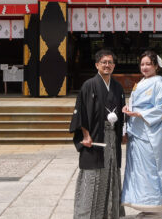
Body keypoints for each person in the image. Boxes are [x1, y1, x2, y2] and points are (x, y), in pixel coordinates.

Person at [69, 48, 126, 219]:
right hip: (94, 136)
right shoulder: (89, 85)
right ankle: (87, 215)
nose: (107, 65)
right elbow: (81, 112)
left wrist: (122, 132)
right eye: (104, 62)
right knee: (92, 175)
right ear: (97, 65)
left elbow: (122, 114)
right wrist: (85, 135)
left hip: (112, 136)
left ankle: (109, 213)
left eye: (110, 62)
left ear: (114, 65)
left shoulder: (117, 87)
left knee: (110, 174)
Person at [121, 50, 162, 217]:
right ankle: (145, 205)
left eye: (148, 64)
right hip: (137, 132)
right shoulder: (140, 84)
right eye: (142, 64)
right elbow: (134, 103)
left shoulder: (161, 87)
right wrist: (128, 109)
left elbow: (161, 109)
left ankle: (156, 206)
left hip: (150, 134)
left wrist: (140, 114)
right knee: (138, 170)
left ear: (156, 66)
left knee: (151, 169)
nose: (144, 67)